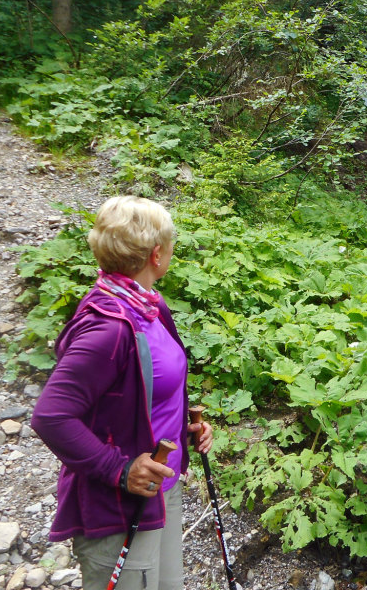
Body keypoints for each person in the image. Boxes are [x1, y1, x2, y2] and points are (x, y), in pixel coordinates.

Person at [32, 195, 212, 590]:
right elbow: (51, 416)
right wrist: (119, 468)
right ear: (157, 254)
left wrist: (185, 429)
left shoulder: (147, 305)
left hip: (161, 490)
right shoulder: (109, 327)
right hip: (118, 506)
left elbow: (143, 391)